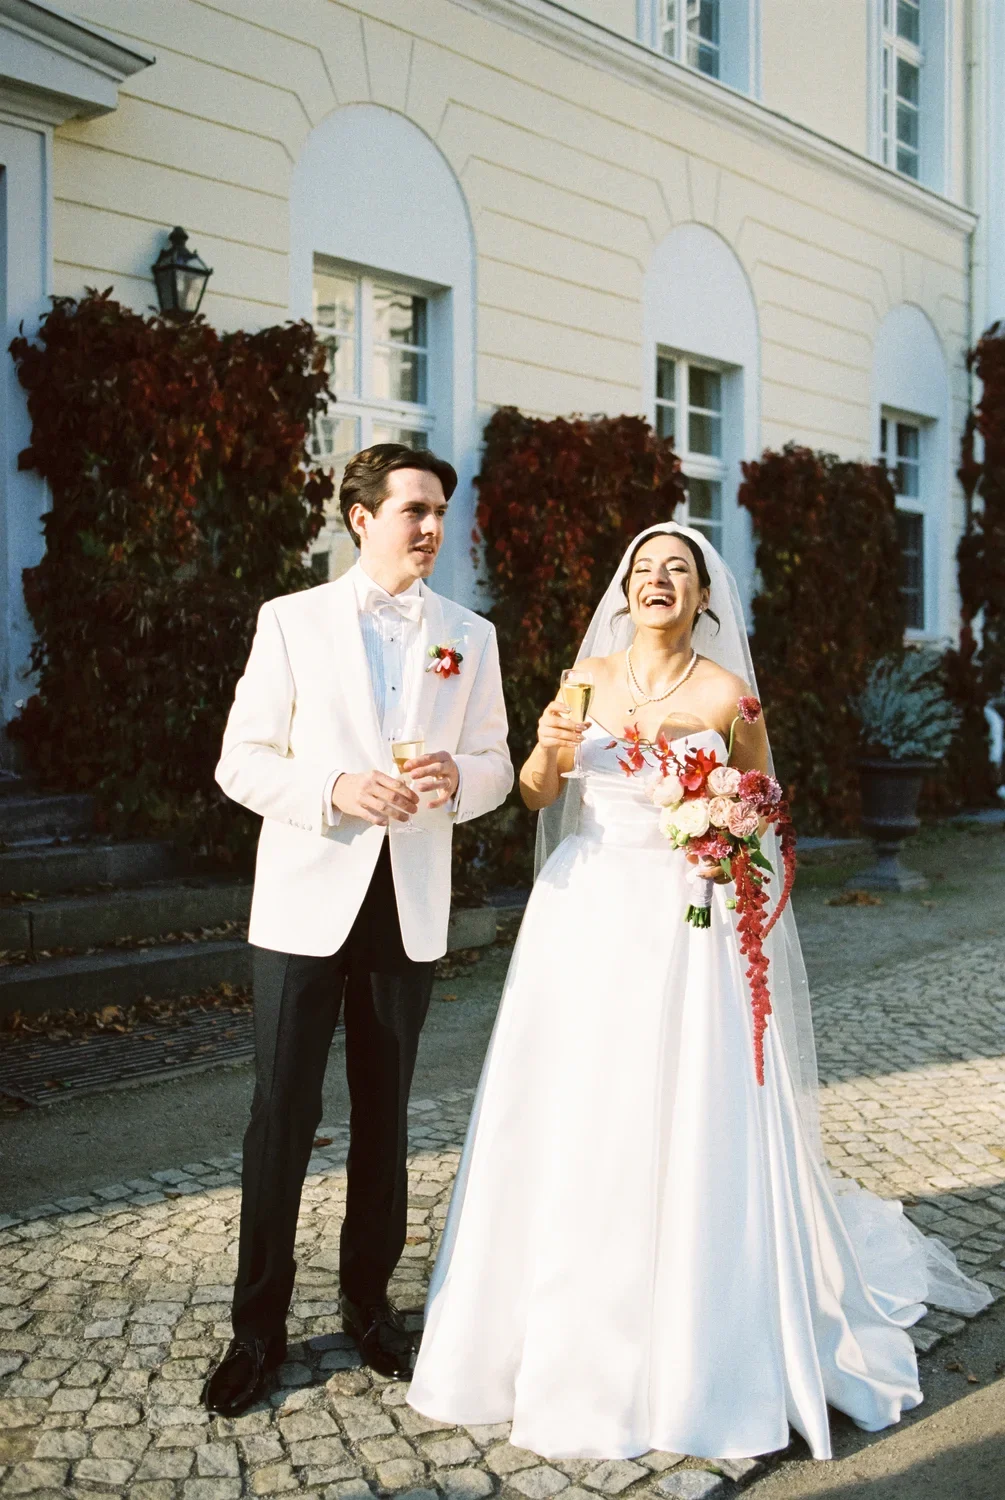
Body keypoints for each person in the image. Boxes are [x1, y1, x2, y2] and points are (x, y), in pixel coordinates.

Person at [407, 523, 989, 1461]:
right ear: (625, 591)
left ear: (703, 597)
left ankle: (691, 1333)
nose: (657, 581)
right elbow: (536, 793)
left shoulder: (728, 695)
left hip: (686, 920)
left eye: (676, 570)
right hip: (583, 914)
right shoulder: (585, 676)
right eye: (644, 570)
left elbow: (761, 809)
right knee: (572, 1105)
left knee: (679, 1106)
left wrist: (726, 839)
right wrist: (549, 748)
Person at [203, 444, 513, 1417]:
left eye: (440, 511)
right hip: (304, 901)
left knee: (386, 1117)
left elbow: (498, 763)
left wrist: (461, 780)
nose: (432, 527)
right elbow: (240, 760)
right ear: (361, 516)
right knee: (281, 1116)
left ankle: (370, 1307)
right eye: (414, 509)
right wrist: (334, 787)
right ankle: (257, 1330)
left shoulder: (469, 635)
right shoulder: (290, 620)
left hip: (406, 905)